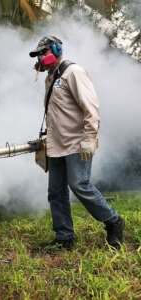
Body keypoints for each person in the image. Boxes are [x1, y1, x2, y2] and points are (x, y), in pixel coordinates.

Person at [29, 36, 125, 250]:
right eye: (38, 56)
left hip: (76, 143)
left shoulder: (74, 72)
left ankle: (113, 221)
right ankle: (64, 237)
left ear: (56, 50)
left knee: (79, 185)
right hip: (55, 144)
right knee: (56, 191)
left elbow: (91, 107)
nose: (40, 59)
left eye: (43, 53)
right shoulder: (51, 77)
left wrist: (90, 138)